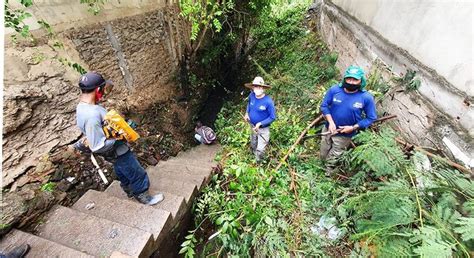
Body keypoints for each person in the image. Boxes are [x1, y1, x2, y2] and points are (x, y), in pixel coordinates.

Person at [74, 71, 163, 205]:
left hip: (113, 154)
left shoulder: (82, 107)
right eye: (103, 89)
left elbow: (101, 128)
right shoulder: (91, 115)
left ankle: (128, 189)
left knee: (121, 170)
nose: (104, 92)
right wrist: (121, 136)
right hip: (116, 150)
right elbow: (98, 145)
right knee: (136, 172)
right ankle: (144, 196)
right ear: (98, 89)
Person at [320, 65, 377, 175]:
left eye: (355, 80)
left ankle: (328, 173)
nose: (351, 82)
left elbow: (371, 118)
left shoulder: (366, 97)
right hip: (328, 128)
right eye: (349, 78)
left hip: (345, 134)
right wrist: (331, 122)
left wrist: (353, 127)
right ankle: (320, 167)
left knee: (335, 154)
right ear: (344, 78)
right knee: (323, 151)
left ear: (361, 81)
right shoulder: (334, 90)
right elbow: (324, 106)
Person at [244, 76, 277, 162]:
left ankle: (258, 163)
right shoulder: (251, 95)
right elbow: (248, 104)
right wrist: (247, 113)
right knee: (253, 143)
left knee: (261, 149)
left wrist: (260, 123)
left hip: (263, 129)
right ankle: (252, 157)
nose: (257, 88)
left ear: (263, 88)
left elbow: (272, 117)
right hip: (252, 126)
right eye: (255, 86)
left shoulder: (268, 101)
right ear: (253, 87)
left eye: (259, 86)